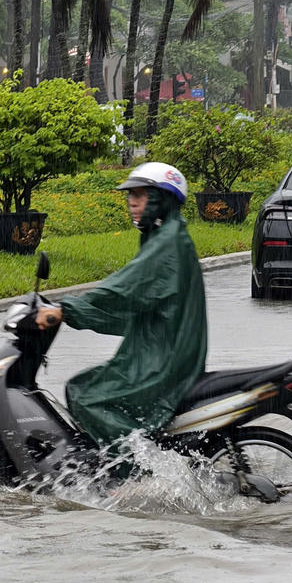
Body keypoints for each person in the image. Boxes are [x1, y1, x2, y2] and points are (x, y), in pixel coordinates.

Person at [36, 162, 207, 448]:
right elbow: (132, 305)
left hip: (163, 359)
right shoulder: (164, 237)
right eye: (130, 195)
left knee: (85, 395)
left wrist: (66, 308)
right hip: (159, 349)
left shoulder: (168, 243)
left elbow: (123, 287)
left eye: (140, 195)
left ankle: (134, 470)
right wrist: (74, 313)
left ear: (161, 198)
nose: (132, 202)